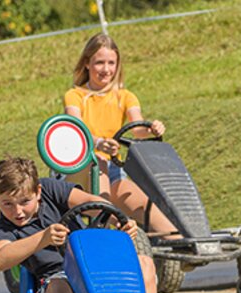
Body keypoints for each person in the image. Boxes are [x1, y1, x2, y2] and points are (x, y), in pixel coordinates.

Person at [0, 156, 157, 293]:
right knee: (58, 287)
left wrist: (120, 220)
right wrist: (43, 238)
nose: (18, 211)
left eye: (25, 202)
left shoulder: (51, 190)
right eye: (8, 204)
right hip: (62, 285)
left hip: (96, 271)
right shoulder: (5, 228)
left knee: (145, 264)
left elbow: (91, 203)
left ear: (38, 192)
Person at [62, 32, 174, 235]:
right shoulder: (75, 96)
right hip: (80, 169)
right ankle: (116, 230)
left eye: (111, 63)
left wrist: (151, 129)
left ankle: (178, 243)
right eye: (99, 63)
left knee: (149, 210)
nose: (106, 70)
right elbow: (76, 128)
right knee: (100, 163)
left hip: (113, 169)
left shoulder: (125, 97)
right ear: (87, 63)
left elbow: (138, 128)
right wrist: (98, 143)